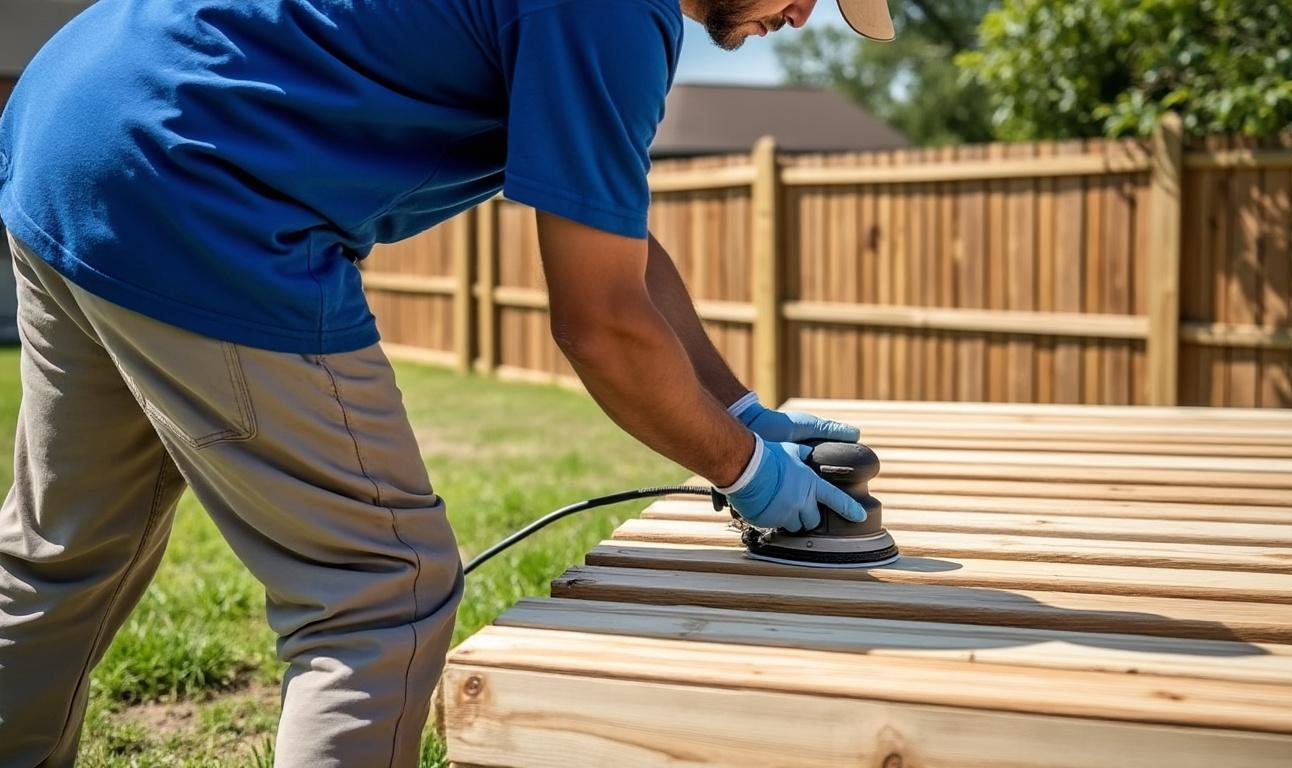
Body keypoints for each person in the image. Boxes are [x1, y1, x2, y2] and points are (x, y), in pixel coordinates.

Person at [0, 0, 894, 764]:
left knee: (64, 550)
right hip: (197, 182)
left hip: (69, 122)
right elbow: (602, 327)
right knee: (380, 591)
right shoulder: (618, 15)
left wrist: (738, 411)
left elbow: (617, 252)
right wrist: (746, 470)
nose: (802, 14)